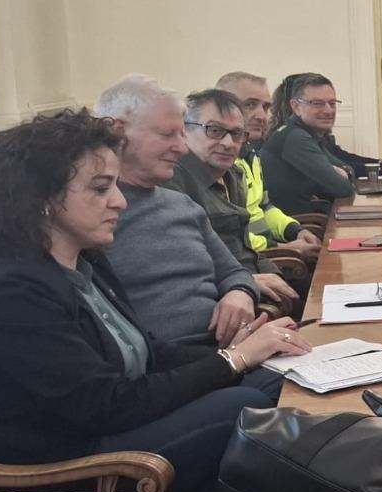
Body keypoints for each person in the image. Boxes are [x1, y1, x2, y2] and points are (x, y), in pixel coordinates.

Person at [0, 110, 307, 492]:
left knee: (270, 380)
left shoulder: (85, 258)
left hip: (114, 423)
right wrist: (231, 361)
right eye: (101, 188)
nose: (120, 201)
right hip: (71, 466)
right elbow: (104, 405)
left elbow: (148, 351)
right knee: (240, 405)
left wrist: (241, 353)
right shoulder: (6, 289)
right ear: (42, 199)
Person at [94, 76, 263, 345]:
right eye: (167, 134)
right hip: (176, 362)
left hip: (228, 348)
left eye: (182, 134)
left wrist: (240, 292)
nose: (182, 148)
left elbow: (234, 271)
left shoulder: (182, 204)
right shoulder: (92, 216)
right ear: (118, 131)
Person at [166, 88, 302, 311]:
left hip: (257, 286)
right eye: (215, 130)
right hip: (227, 302)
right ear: (185, 131)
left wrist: (275, 275)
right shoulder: (173, 181)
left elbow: (246, 249)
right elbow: (184, 266)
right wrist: (246, 282)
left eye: (237, 133)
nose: (229, 143)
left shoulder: (234, 175)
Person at [216, 71, 321, 261]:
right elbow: (231, 239)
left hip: (269, 251)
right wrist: (285, 248)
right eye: (250, 105)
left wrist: (296, 231)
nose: (261, 116)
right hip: (256, 259)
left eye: (265, 107)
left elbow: (265, 207)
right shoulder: (220, 162)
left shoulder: (252, 155)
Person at [259, 72, 382, 216]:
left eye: (332, 103)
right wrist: (340, 173)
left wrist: (343, 172)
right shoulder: (296, 138)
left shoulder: (307, 132)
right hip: (303, 224)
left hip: (312, 216)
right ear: (296, 107)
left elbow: (347, 169)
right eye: (317, 103)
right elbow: (343, 188)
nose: (328, 110)